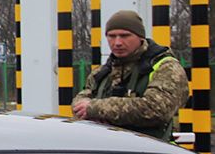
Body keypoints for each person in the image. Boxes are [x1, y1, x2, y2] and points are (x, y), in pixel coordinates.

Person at [72, 10, 190, 141]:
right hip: (107, 151)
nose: (117, 42)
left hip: (150, 153)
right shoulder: (103, 72)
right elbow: (80, 103)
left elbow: (155, 109)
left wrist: (96, 109)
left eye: (124, 36)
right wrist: (89, 109)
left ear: (140, 37)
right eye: (111, 36)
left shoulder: (165, 67)